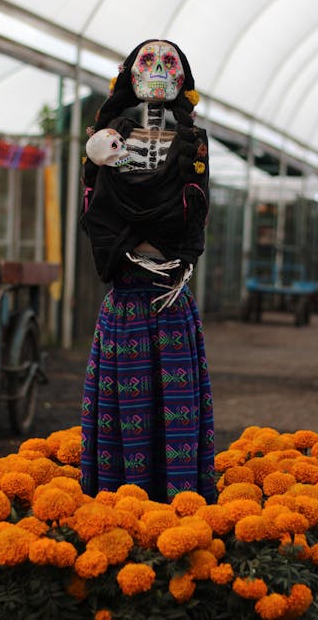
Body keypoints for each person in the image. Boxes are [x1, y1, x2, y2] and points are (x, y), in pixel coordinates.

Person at [79, 39, 215, 503]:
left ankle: (177, 515)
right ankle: (118, 512)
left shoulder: (193, 143)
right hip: (129, 302)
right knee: (127, 414)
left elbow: (195, 216)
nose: (158, 69)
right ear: (130, 74)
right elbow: (96, 214)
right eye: (149, 61)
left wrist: (174, 256)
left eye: (168, 61)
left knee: (173, 414)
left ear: (183, 76)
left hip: (168, 298)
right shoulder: (107, 140)